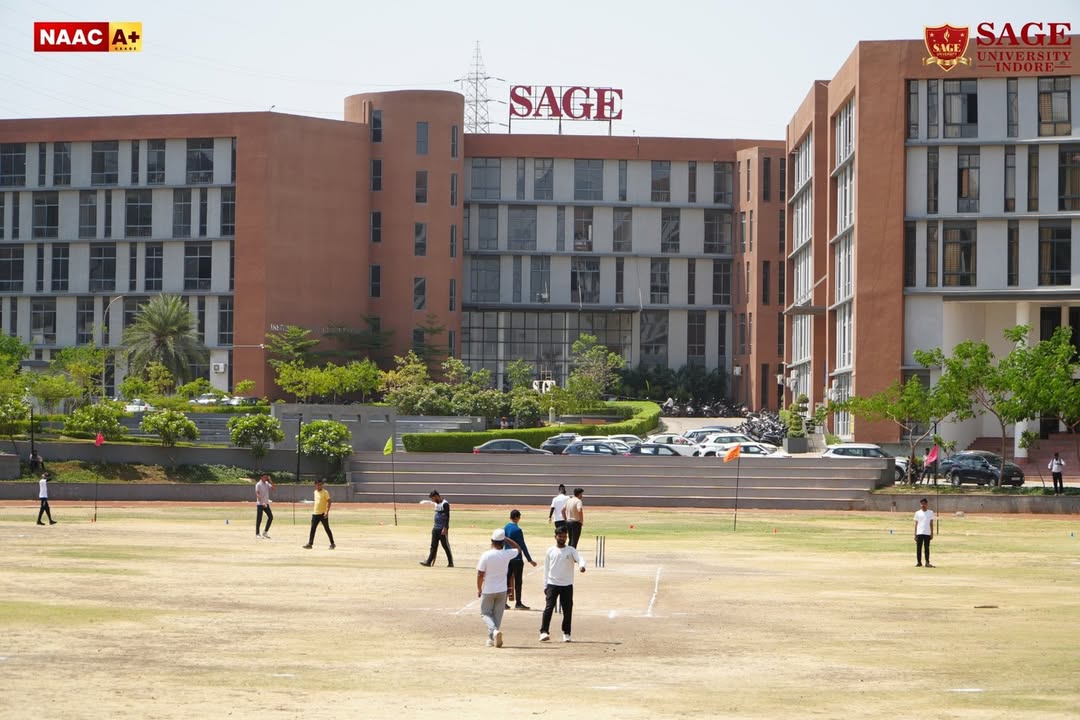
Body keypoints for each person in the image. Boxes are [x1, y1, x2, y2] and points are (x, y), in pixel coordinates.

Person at [539, 526, 586, 643]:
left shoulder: (571, 550)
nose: (562, 538)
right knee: (549, 608)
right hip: (552, 583)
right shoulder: (550, 551)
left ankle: (566, 633)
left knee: (567, 609)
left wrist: (582, 566)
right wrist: (545, 585)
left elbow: (580, 558)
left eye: (564, 536)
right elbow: (546, 569)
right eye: (560, 536)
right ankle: (544, 632)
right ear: (555, 537)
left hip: (567, 584)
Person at [476, 529, 521, 648]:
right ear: (502, 542)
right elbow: (518, 549)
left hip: (488, 589)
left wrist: (479, 588)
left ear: (492, 541)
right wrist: (506, 539)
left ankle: (494, 632)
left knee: (485, 613)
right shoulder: (506, 554)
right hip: (502, 590)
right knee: (497, 616)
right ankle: (491, 639)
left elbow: (480, 574)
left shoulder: (486, 555)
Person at [504, 509, 538, 610]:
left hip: (507, 557)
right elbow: (522, 545)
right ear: (518, 518)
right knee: (518, 581)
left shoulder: (505, 527)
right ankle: (518, 603)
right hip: (517, 558)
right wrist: (529, 559)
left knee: (506, 580)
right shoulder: (518, 530)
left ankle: (503, 602)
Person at [419, 490, 453, 567]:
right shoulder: (436, 504)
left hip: (442, 529)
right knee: (433, 546)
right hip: (435, 528)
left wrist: (445, 528)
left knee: (445, 546)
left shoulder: (445, 504)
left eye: (433, 498)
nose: (432, 500)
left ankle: (450, 562)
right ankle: (428, 562)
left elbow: (447, 517)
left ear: (437, 496)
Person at [302, 478, 335, 550]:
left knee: (327, 529)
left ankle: (332, 544)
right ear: (315, 485)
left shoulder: (325, 492)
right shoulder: (315, 492)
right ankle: (310, 544)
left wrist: (327, 512)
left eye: (320, 485)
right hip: (315, 513)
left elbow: (329, 502)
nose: (319, 486)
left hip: (323, 514)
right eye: (317, 485)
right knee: (313, 529)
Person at [914, 497, 934, 568]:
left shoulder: (930, 512)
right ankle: (919, 562)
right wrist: (915, 534)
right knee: (918, 548)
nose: (923, 505)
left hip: (927, 533)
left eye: (924, 504)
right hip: (919, 533)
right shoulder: (917, 513)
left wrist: (932, 533)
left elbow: (931, 523)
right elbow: (916, 524)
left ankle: (927, 562)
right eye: (922, 504)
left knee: (927, 549)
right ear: (920, 504)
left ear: (927, 504)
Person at [255, 474, 274, 539]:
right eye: (264, 477)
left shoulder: (267, 483)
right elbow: (257, 494)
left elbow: (274, 488)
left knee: (270, 517)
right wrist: (262, 502)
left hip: (266, 503)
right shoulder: (258, 484)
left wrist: (270, 481)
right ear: (261, 477)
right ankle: (257, 534)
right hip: (260, 504)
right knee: (259, 519)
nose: (265, 478)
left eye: (266, 477)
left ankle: (265, 532)